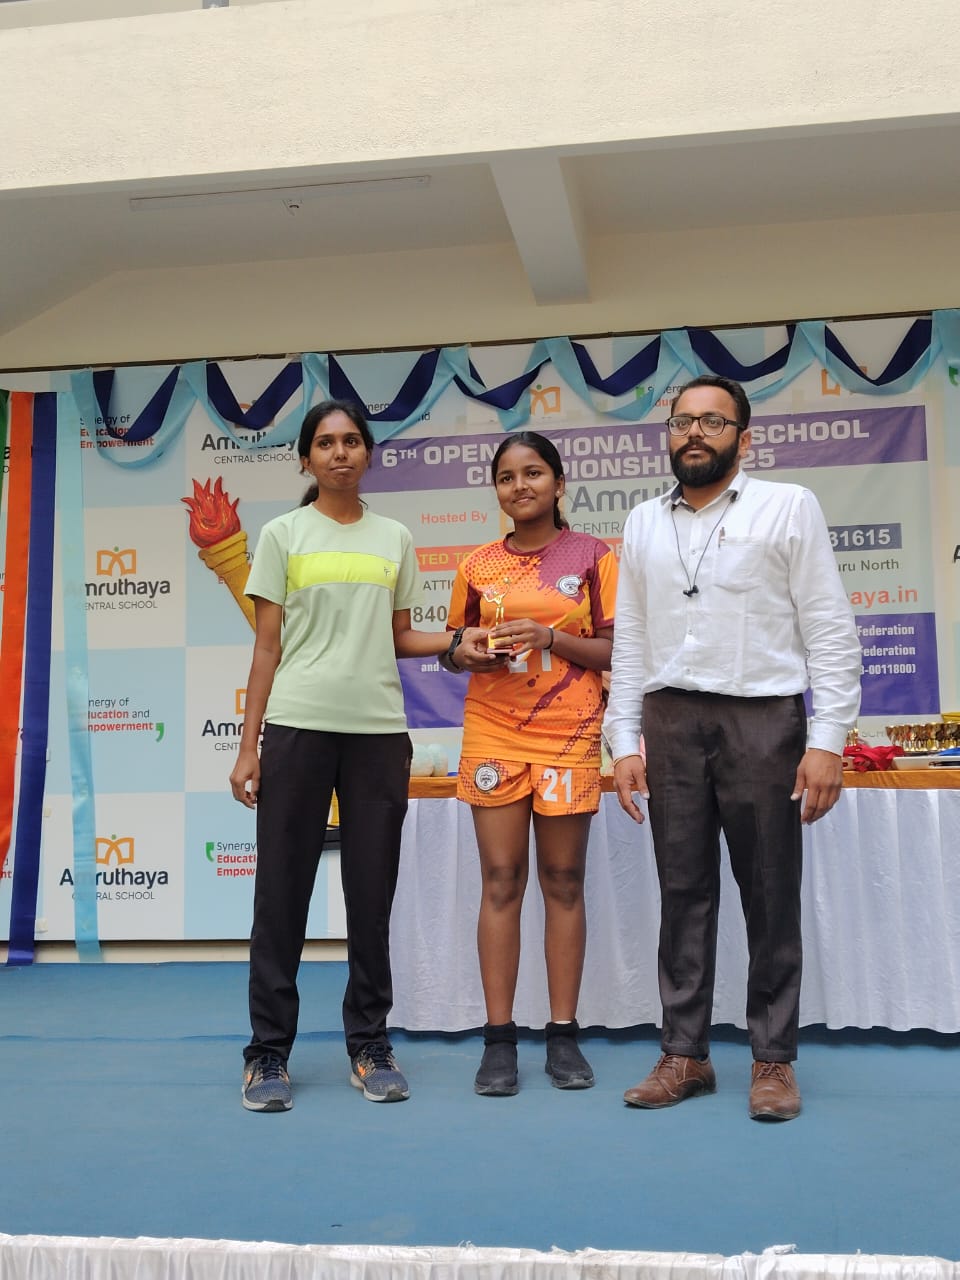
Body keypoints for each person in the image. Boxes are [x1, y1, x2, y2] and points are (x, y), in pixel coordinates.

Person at [604, 374, 861, 1122]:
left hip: (763, 721)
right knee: (682, 891)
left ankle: (773, 1060)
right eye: (682, 421)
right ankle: (684, 1054)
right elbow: (632, 639)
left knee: (770, 891)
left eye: (712, 422)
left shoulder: (788, 506)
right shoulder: (642, 521)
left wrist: (828, 740)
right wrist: (623, 740)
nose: (694, 432)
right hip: (669, 722)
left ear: (744, 439)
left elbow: (828, 627)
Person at [230, 399, 488, 1112]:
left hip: (378, 736)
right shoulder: (282, 535)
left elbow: (400, 637)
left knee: (372, 897)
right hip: (297, 729)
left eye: (351, 441)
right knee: (280, 896)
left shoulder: (394, 537)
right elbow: (267, 647)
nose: (339, 452)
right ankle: (267, 1053)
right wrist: (249, 747)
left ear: (368, 453)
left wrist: (457, 641)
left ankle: (369, 1044)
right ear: (306, 459)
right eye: (325, 442)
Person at [443, 431, 618, 1096]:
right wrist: (465, 653)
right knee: (500, 880)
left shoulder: (594, 556)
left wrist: (552, 637)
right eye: (507, 477)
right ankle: (499, 1041)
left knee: (564, 881)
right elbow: (452, 647)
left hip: (570, 732)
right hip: (494, 731)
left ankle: (563, 1035)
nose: (521, 486)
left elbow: (618, 651)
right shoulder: (476, 565)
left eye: (534, 472)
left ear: (559, 483)